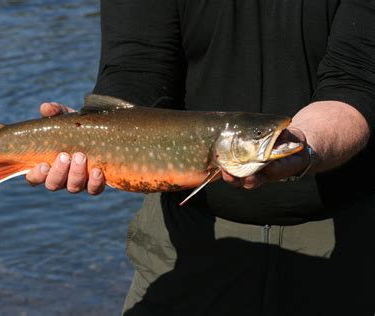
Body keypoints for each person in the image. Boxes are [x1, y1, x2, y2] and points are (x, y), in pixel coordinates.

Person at [27, 0, 374, 315]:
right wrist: (86, 133)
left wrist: (303, 145)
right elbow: (137, 66)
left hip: (345, 244)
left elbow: (357, 82)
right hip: (184, 240)